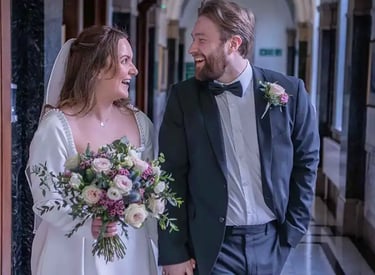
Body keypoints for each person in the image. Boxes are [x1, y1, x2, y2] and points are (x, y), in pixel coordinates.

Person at [158, 1, 320, 274]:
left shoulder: (291, 93)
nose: (192, 49)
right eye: (192, 39)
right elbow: (171, 176)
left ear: (233, 44)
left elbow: (307, 162)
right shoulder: (183, 99)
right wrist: (174, 252)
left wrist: (292, 231)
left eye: (201, 40)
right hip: (212, 246)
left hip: (271, 242)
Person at [26, 25, 160, 275]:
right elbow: (46, 199)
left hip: (131, 255)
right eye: (125, 60)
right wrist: (89, 223)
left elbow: (152, 193)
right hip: (73, 255)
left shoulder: (141, 123)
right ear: (97, 68)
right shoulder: (56, 127)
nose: (135, 69)